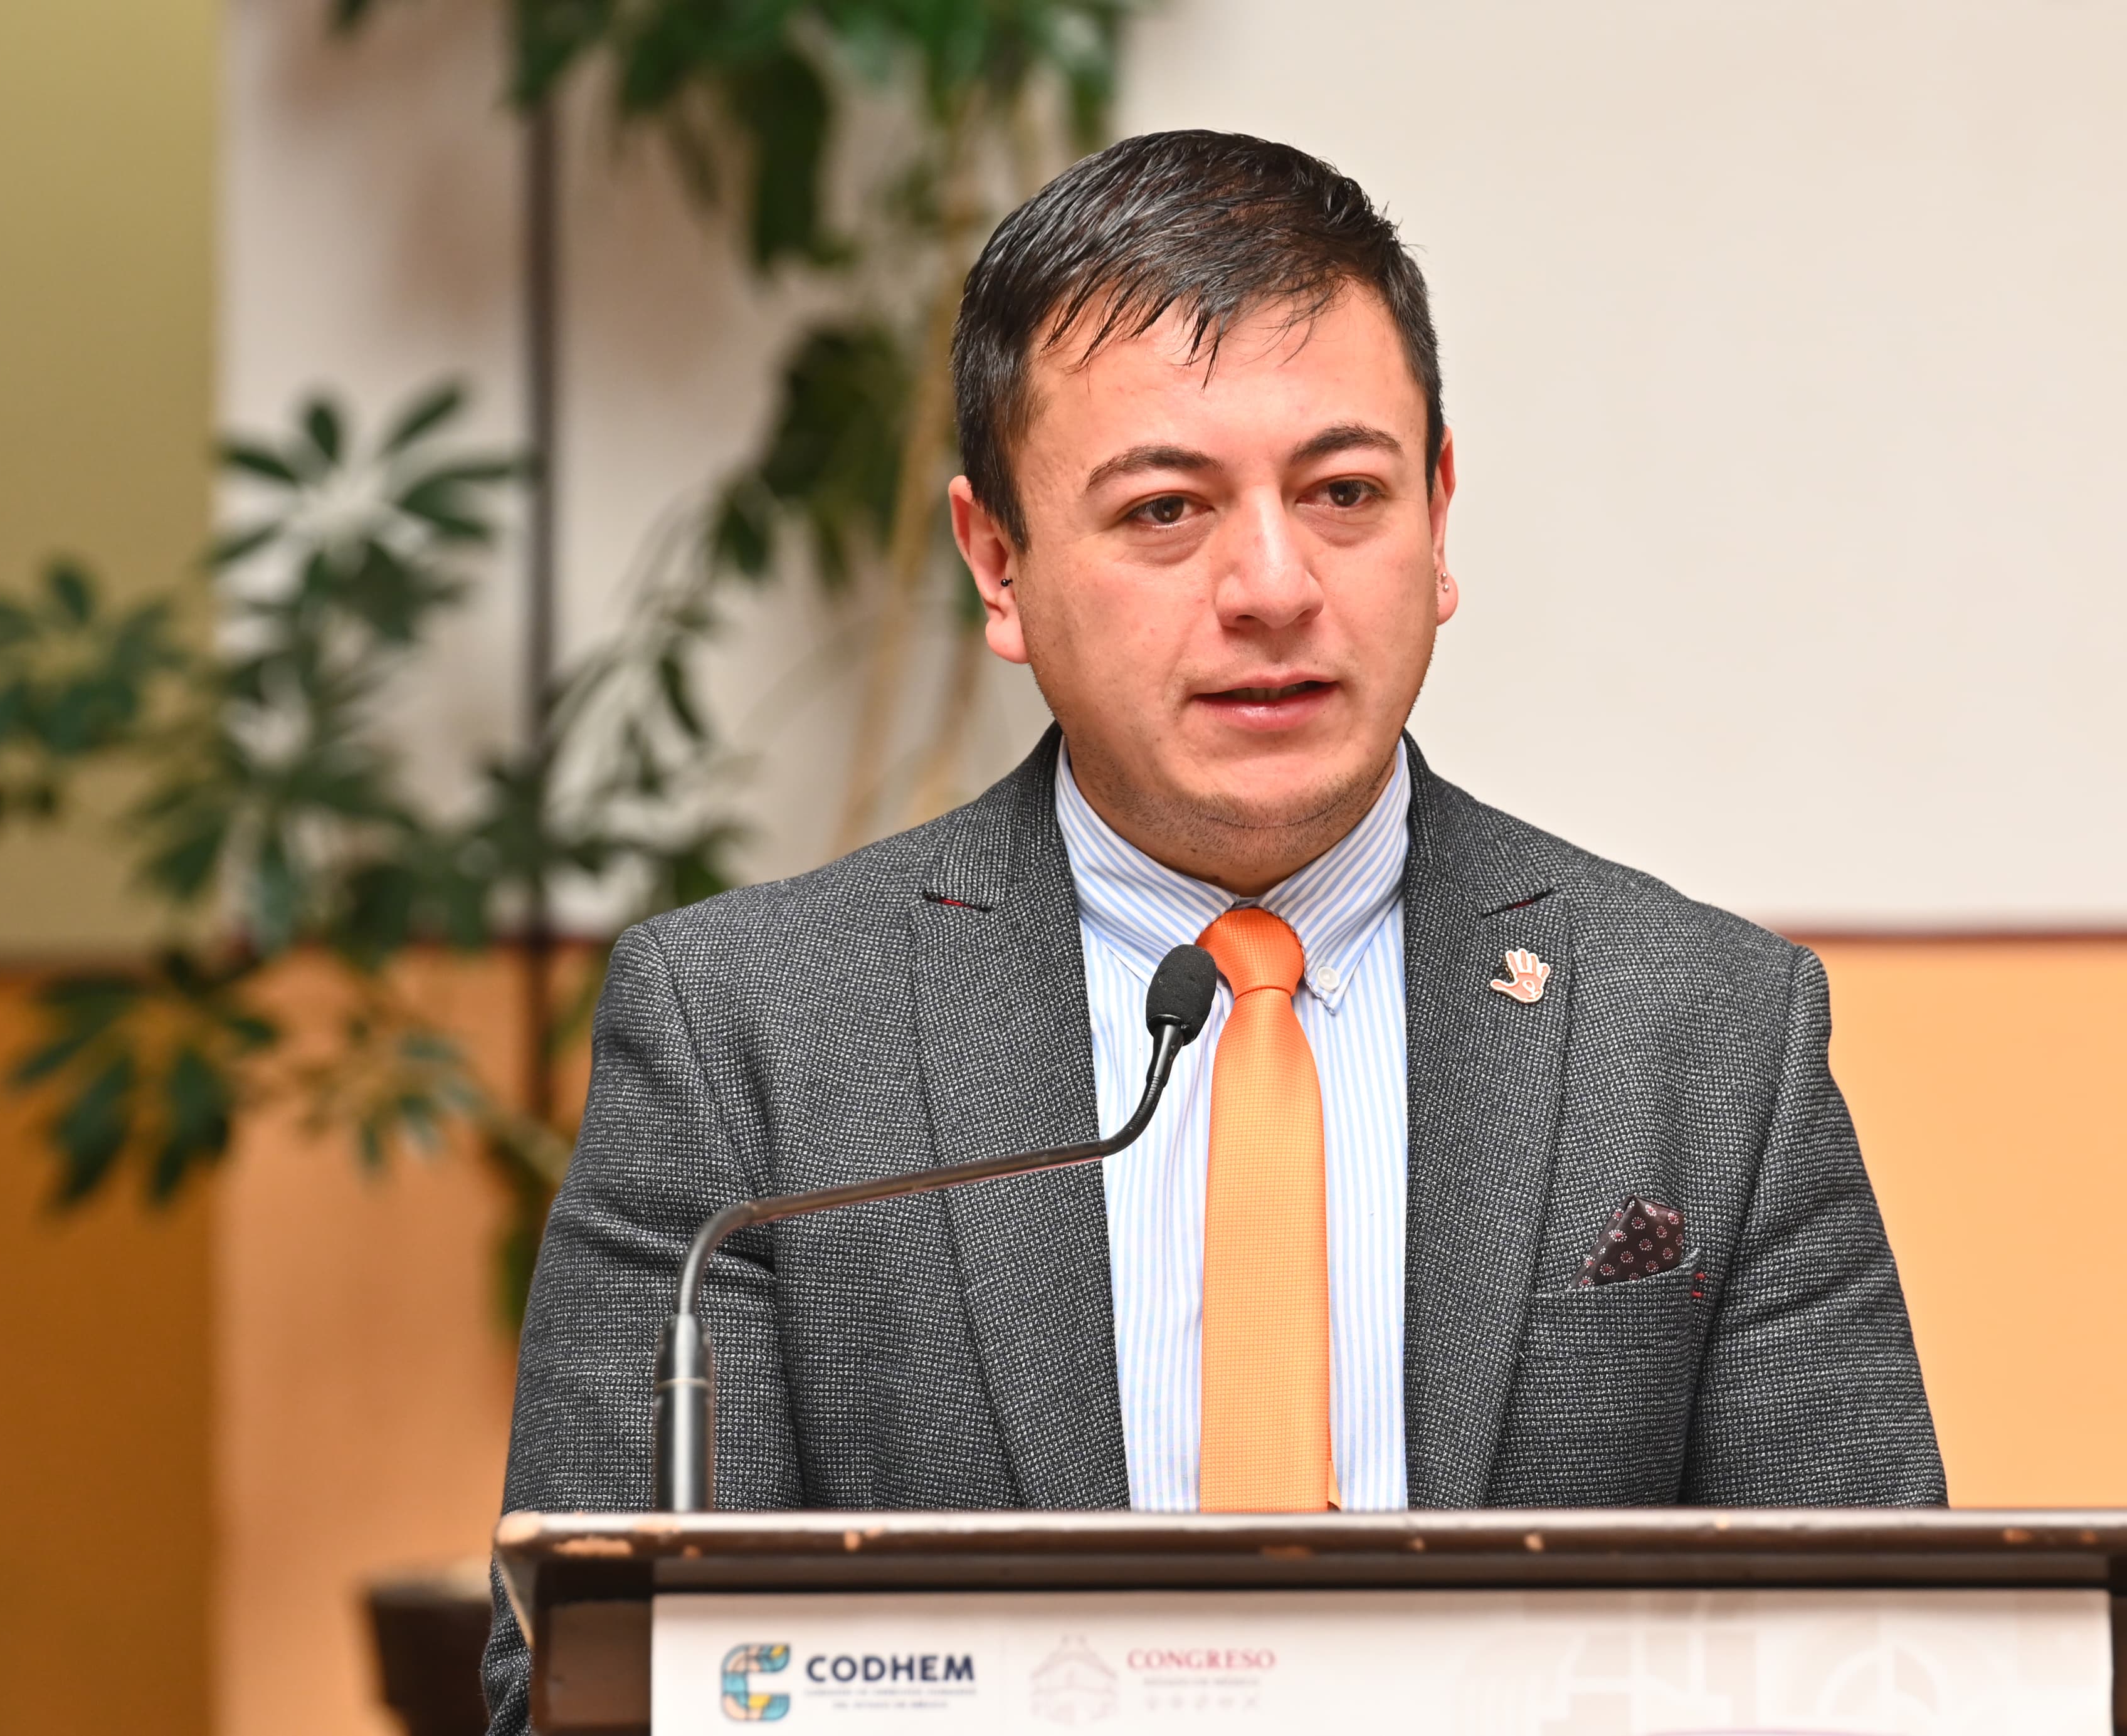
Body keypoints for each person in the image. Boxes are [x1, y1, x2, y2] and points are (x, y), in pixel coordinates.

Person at [482, 129, 1940, 1732]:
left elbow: (1878, 1673)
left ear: (1439, 514)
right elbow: (590, 1689)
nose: (1273, 584)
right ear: (997, 562)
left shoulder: (1706, 1027)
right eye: (1167, 508)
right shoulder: (749, 1032)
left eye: (1344, 493)